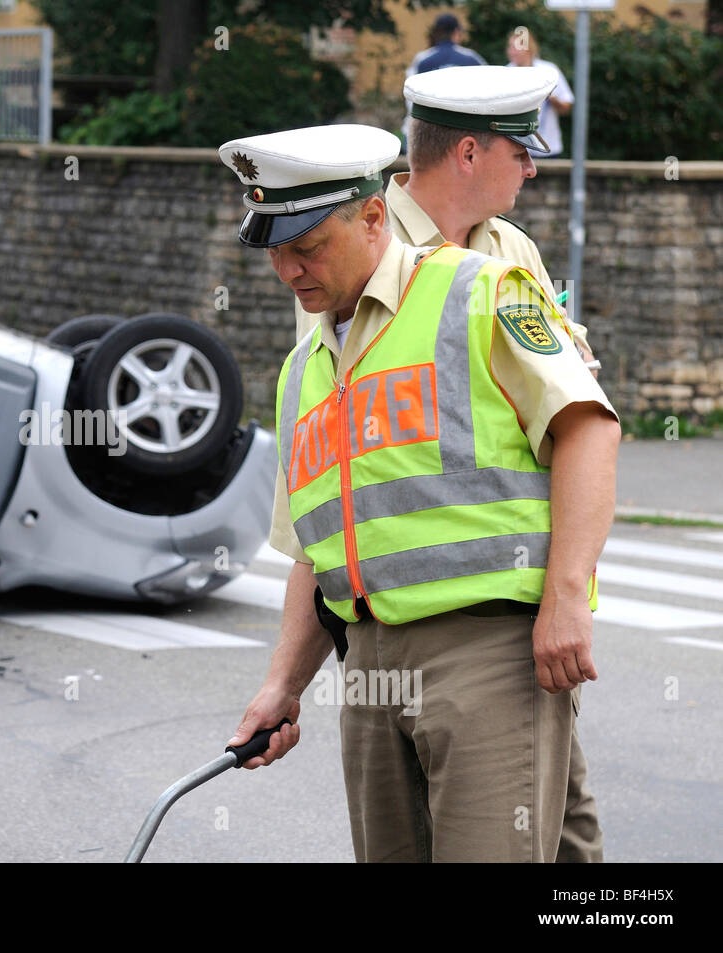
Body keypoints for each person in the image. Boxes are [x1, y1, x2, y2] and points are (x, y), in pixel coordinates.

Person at [218, 121, 621, 862]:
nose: (288, 270)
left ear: (373, 216)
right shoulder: (301, 372)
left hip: (488, 649)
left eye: (306, 246)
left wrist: (567, 593)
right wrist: (282, 685)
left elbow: (588, 428)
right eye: (273, 249)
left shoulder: (484, 289)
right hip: (367, 667)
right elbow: (316, 553)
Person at [401, 14, 486, 148]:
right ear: (456, 32)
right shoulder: (472, 59)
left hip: (424, 133)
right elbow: (486, 96)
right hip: (465, 132)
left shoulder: (422, 60)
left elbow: (410, 101)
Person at [505, 26, 574, 158]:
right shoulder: (506, 73)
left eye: (516, 47)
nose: (511, 52)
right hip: (517, 148)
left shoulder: (548, 71)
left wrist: (550, 98)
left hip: (548, 148)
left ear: (529, 48)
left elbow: (566, 107)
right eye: (510, 47)